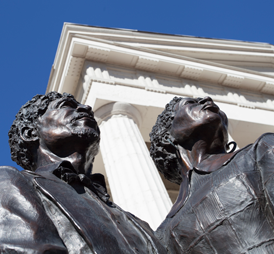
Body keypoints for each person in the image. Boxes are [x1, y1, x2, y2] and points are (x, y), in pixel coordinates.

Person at [1, 92, 166, 254]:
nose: (86, 107)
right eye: (66, 106)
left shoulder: (135, 221)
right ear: (29, 133)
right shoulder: (11, 182)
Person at [150, 96, 274, 254]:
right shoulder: (164, 233)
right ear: (167, 138)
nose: (207, 99)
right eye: (190, 103)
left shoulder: (265, 149)